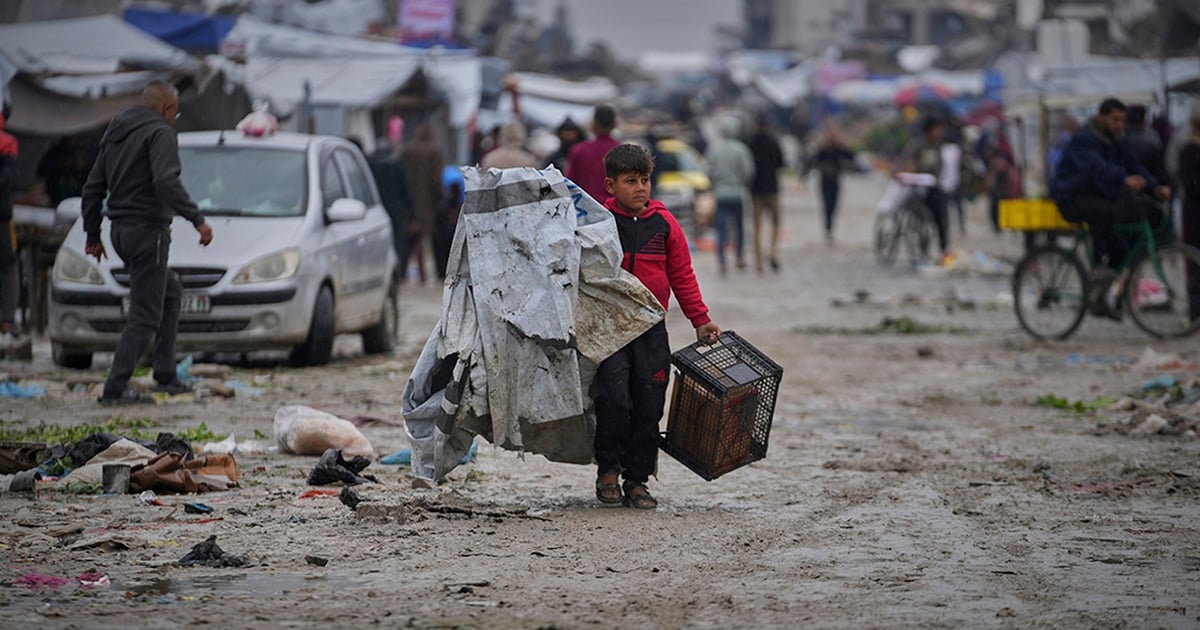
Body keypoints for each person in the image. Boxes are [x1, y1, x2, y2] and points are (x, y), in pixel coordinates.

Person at [593, 143, 721, 510]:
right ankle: (608, 472)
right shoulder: (600, 224)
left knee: (650, 404)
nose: (640, 188)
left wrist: (700, 319)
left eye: (645, 180)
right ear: (610, 185)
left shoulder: (665, 224)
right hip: (611, 329)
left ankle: (638, 479)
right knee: (614, 399)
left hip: (652, 329)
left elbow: (682, 275)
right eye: (630, 181)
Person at [81, 81, 213, 405]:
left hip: (120, 233)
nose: (175, 118)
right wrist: (197, 219)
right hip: (147, 233)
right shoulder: (161, 133)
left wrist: (93, 235)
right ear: (167, 109)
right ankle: (115, 387)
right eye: (175, 113)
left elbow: (92, 188)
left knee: (170, 290)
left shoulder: (116, 132)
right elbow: (166, 180)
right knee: (144, 314)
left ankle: (165, 372)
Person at [1050, 97, 1171, 319]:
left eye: (1122, 120)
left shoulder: (1118, 138)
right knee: (1105, 212)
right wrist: (1123, 178)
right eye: (1115, 119)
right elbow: (1096, 167)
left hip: (1099, 195)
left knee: (1123, 246)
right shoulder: (1085, 138)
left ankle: (1100, 295)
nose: (1119, 124)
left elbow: (1135, 165)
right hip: (1071, 197)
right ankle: (1097, 267)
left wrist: (1155, 188)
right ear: (1102, 117)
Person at [705, 116, 755, 274]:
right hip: (737, 194)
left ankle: (722, 261)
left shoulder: (714, 149)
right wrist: (741, 184)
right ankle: (739, 258)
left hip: (720, 194)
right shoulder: (741, 149)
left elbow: (708, 170)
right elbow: (748, 171)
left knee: (721, 229)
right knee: (739, 227)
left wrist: (715, 184)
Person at [899, 116, 951, 262]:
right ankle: (921, 249)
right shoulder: (916, 145)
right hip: (915, 187)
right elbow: (906, 162)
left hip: (932, 187)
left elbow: (941, 167)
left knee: (941, 214)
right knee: (918, 217)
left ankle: (944, 248)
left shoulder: (938, 147)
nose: (940, 132)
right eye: (937, 130)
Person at [397, 123, 444, 284]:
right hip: (426, 203)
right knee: (423, 239)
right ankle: (423, 275)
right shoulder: (435, 152)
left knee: (407, 240)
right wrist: (439, 200)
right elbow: (437, 181)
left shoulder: (405, 150)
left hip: (406, 202)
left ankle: (402, 273)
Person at [746, 115, 784, 272]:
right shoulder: (774, 142)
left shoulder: (750, 143)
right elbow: (781, 164)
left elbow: (746, 167)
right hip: (772, 189)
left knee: (757, 226)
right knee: (775, 224)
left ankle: (759, 260)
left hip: (756, 191)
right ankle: (773, 252)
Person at [809, 127, 855, 245]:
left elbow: (851, 156)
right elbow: (813, 161)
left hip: (835, 181)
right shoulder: (823, 150)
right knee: (826, 206)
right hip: (824, 181)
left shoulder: (838, 149)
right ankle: (828, 228)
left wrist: (843, 144)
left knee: (834, 206)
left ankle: (830, 228)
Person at [566, 104, 620, 203]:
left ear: (594, 124)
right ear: (614, 125)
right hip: (614, 208)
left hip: (585, 207)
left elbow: (570, 183)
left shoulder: (578, 150)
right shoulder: (622, 151)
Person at [0, 111, 20, 351]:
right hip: (2, 219)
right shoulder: (7, 142)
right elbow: (7, 179)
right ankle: (6, 321)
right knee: (8, 265)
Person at [1178, 106, 1200, 320]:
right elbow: (1192, 184)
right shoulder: (1191, 149)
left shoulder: (1190, 148)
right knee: (1195, 263)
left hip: (1193, 213)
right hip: (1195, 216)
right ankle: (1196, 313)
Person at [37, 135, 92, 206]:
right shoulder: (56, 152)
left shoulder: (81, 151)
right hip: (57, 196)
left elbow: (88, 173)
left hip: (76, 197)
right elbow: (42, 170)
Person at [435, 164, 465, 280]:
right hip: (454, 212)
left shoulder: (446, 177)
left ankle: (443, 272)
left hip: (447, 213)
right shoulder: (457, 177)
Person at [1125, 104, 1168, 186]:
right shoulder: (1153, 140)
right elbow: (1160, 169)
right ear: (1143, 120)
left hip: (1126, 185)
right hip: (1149, 185)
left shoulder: (1119, 139)